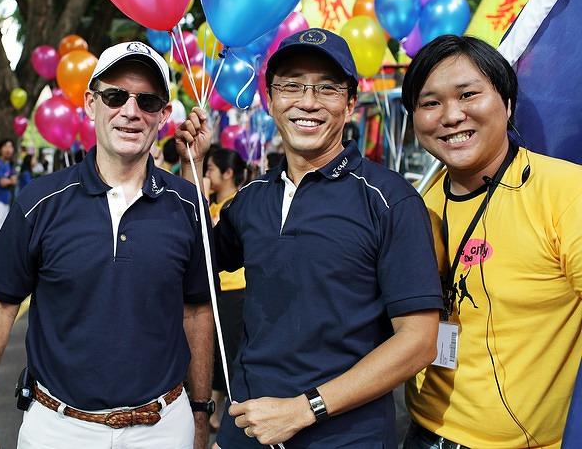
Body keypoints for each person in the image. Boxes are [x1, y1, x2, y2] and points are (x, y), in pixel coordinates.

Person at [176, 28, 443, 448]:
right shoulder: (250, 199)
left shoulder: (389, 199)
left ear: (350, 102)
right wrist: (193, 165)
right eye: (292, 85)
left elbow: (419, 341)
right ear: (270, 99)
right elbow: (192, 267)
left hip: (345, 437)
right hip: (248, 429)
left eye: (327, 88)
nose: (308, 101)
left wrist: (305, 408)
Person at [0, 41, 214, 449]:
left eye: (147, 101)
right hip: (57, 429)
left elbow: (198, 311)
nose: (131, 111)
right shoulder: (39, 202)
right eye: (115, 96)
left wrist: (201, 414)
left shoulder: (188, 205)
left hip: (164, 429)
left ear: (164, 116)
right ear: (90, 103)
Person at [401, 35, 582, 448]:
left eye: (468, 94)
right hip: (421, 431)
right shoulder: (416, 206)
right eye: (430, 103)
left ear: (508, 103)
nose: (451, 116)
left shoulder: (565, 192)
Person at [204, 146, 248, 433]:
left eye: (210, 170)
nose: (206, 175)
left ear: (228, 173)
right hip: (215, 291)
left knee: (228, 354)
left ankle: (227, 413)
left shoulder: (238, 205)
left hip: (234, 291)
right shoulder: (212, 205)